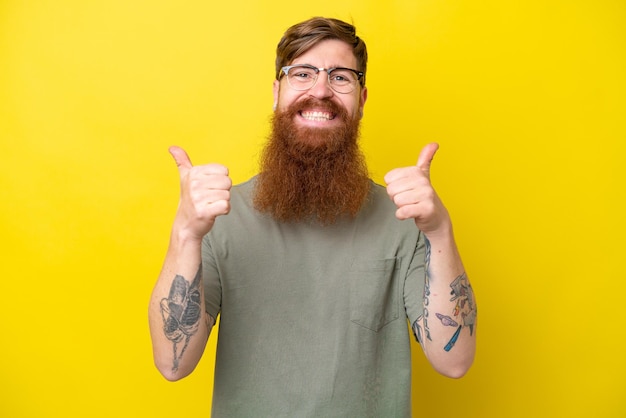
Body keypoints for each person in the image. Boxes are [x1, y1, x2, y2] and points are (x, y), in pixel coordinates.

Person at [149, 16, 477, 417]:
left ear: (362, 98)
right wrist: (185, 234)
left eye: (341, 77)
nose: (320, 90)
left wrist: (440, 232)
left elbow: (454, 361)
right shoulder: (219, 219)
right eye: (302, 73)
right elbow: (172, 363)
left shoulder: (406, 219)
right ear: (276, 91)